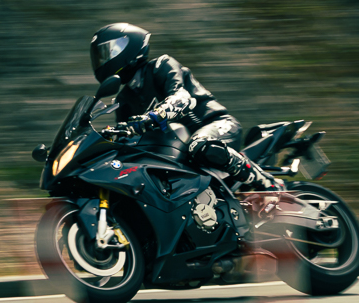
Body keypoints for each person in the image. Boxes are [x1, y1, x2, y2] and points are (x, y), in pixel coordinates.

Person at [89, 22, 276, 190]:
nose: (102, 61)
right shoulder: (124, 99)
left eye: (107, 53)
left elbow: (182, 98)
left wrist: (150, 118)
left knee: (200, 144)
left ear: (128, 47)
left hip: (216, 124)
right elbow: (127, 138)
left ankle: (267, 183)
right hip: (178, 146)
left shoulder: (161, 66)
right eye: (99, 56)